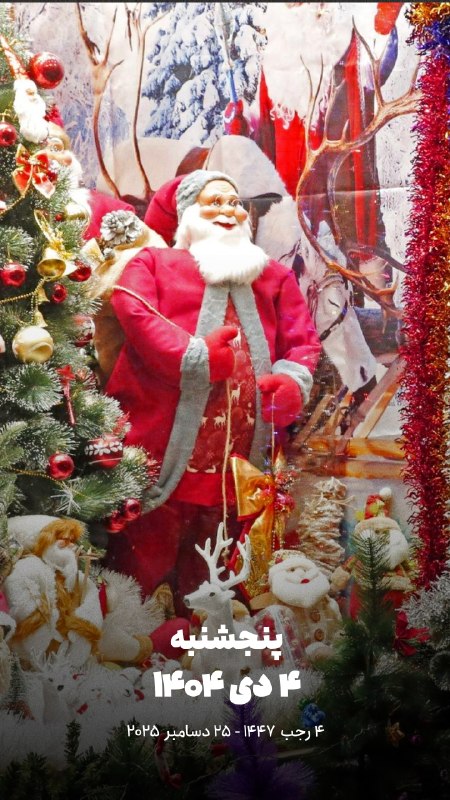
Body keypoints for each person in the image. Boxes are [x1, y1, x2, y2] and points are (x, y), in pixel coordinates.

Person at [103, 169, 321, 613]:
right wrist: (194, 356)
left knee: (217, 579)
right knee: (140, 571)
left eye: (234, 203)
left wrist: (291, 381)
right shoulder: (153, 264)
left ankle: (212, 634)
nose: (228, 211)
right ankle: (133, 639)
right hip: (160, 456)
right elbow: (134, 310)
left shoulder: (273, 277)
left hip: (238, 473)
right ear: (187, 214)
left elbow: (302, 341)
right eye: (214, 201)